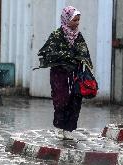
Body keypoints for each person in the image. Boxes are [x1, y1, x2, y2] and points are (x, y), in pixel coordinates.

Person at [37, 6, 93, 139]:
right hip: (59, 74)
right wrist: (66, 56)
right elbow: (47, 53)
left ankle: (69, 128)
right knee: (61, 99)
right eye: (75, 20)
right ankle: (59, 126)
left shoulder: (78, 36)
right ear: (66, 19)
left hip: (75, 74)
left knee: (75, 100)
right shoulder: (56, 35)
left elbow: (85, 53)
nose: (77, 23)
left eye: (78, 20)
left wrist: (82, 61)